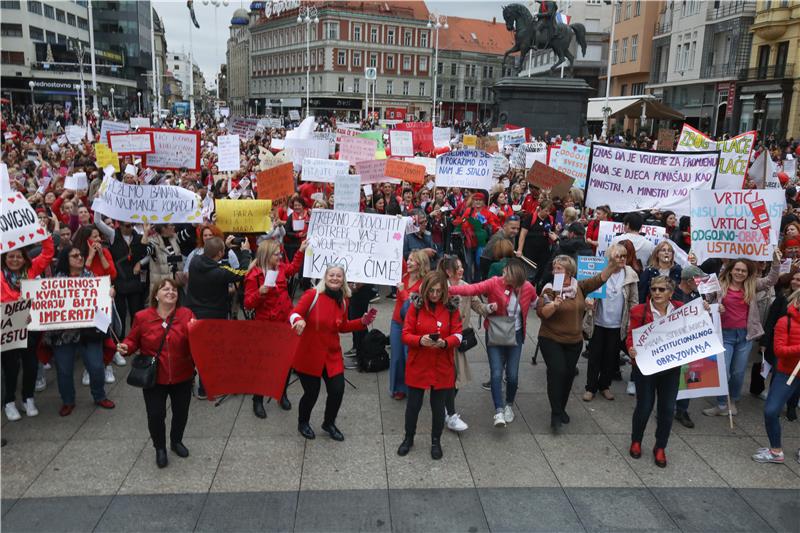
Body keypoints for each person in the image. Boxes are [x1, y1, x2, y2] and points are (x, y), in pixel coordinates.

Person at [289, 265, 376, 441]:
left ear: (343, 279)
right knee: (311, 393)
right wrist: (298, 320)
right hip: (309, 354)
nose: (335, 278)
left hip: (332, 354)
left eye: (338, 276)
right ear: (325, 277)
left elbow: (342, 326)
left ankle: (329, 423)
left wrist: (362, 321)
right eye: (331, 275)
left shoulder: (343, 300)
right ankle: (303, 422)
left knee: (337, 390)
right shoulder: (312, 295)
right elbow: (294, 313)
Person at [537, 253, 622, 431]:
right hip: (551, 338)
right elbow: (542, 313)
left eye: (558, 268)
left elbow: (600, 278)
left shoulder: (580, 287)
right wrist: (554, 305)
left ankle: (561, 408)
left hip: (574, 341)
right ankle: (555, 414)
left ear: (569, 271)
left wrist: (613, 264)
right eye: (554, 268)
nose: (554, 270)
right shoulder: (549, 289)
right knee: (557, 372)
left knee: (568, 375)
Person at [116, 279, 195, 469]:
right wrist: (126, 347)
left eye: (174, 289)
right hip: (154, 378)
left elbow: (197, 341)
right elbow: (133, 339)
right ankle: (160, 448)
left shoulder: (187, 314)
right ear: (155, 295)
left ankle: (176, 442)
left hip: (182, 375)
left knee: (181, 412)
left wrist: (198, 331)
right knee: (155, 414)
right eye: (165, 289)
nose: (171, 292)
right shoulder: (142, 317)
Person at [449, 258, 537, 427]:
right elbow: (472, 289)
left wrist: (549, 302)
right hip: (495, 333)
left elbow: (536, 303)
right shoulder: (495, 282)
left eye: (506, 275)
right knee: (496, 373)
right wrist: (449, 288)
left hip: (516, 336)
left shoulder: (528, 288)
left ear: (516, 278)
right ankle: (499, 411)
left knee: (512, 375)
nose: (502, 277)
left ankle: (509, 405)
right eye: (503, 273)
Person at [703, 251, 781, 417]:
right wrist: (713, 306)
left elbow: (771, 280)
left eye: (743, 271)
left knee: (738, 373)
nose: (740, 273)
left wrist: (775, 262)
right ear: (731, 270)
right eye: (737, 269)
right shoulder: (719, 284)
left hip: (744, 336)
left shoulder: (752, 285)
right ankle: (722, 404)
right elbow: (706, 300)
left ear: (748, 273)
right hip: (724, 335)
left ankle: (733, 401)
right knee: (724, 371)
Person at [397, 271, 463, 459]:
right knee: (413, 406)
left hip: (442, 365)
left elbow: (458, 334)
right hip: (419, 364)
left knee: (437, 406)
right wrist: (420, 340)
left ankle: (436, 441)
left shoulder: (451, 308)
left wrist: (445, 342)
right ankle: (408, 438)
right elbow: (405, 334)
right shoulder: (415, 307)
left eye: (438, 291)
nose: (434, 295)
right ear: (425, 289)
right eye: (431, 291)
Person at [46, 246, 115, 416]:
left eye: (81, 254)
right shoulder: (55, 283)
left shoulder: (92, 278)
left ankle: (99, 396)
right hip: (63, 336)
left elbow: (101, 304)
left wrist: (109, 294)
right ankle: (68, 401)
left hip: (88, 333)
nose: (80, 258)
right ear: (65, 260)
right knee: (64, 370)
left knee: (97, 366)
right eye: (74, 256)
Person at [626, 276, 685, 468]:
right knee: (644, 406)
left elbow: (699, 319)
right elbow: (631, 336)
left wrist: (709, 309)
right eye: (653, 289)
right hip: (646, 367)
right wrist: (631, 349)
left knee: (667, 409)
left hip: (670, 368)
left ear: (670, 292)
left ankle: (660, 446)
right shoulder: (638, 311)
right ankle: (636, 440)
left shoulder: (680, 309)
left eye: (661, 289)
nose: (657, 293)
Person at [243, 239, 306, 417]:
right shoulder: (254, 275)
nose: (280, 256)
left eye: (280, 253)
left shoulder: (281, 268)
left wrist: (300, 250)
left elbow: (293, 268)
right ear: (266, 255)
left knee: (285, 362)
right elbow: (247, 304)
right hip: (265, 326)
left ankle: (281, 393)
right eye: (276, 254)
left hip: (285, 322)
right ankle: (258, 399)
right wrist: (260, 293)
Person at [185, 236, 250, 399]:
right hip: (214, 317)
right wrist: (246, 253)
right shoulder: (219, 273)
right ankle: (206, 388)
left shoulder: (195, 262)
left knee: (198, 351)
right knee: (211, 354)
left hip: (194, 314)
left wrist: (225, 248)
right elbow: (241, 272)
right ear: (220, 253)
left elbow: (214, 257)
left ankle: (193, 382)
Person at [1, 231, 54, 421]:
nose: (15, 260)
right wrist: (18, 301)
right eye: (11, 256)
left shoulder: (31, 271)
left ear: (24, 258)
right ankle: (9, 402)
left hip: (31, 327)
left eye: (18, 256)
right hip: (9, 328)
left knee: (31, 364)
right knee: (11, 367)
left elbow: (48, 253)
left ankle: (28, 398)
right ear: (4, 258)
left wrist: (43, 233)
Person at [438, 256, 491, 432]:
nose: (461, 270)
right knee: (451, 376)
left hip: (459, 339)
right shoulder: (440, 286)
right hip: (443, 340)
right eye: (457, 267)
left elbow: (477, 304)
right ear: (448, 271)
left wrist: (490, 309)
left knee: (457, 377)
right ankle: (449, 412)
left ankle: (445, 408)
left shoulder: (466, 286)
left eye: (461, 266)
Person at [582, 243, 639, 402]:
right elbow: (586, 290)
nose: (621, 259)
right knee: (594, 356)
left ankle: (604, 386)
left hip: (617, 324)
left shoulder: (630, 274)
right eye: (617, 256)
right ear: (609, 258)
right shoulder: (600, 272)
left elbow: (634, 300)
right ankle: (590, 388)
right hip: (598, 321)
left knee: (611, 357)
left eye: (624, 256)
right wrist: (588, 300)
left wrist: (632, 321)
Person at [752, 288, 800, 464]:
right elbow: (779, 350)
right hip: (787, 373)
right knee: (771, 411)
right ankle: (775, 451)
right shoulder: (784, 322)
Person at [389, 250, 431, 400]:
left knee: (410, 357)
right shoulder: (404, 275)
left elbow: (412, 306)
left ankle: (413, 387)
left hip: (413, 327)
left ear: (420, 263)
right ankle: (399, 388)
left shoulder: (424, 283)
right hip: (397, 322)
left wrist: (402, 292)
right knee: (397, 356)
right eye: (409, 259)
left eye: (413, 260)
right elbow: (393, 255)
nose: (409, 263)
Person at [672, 264, 706, 429]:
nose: (700, 283)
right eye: (698, 279)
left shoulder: (697, 295)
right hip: (672, 343)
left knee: (688, 378)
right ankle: (666, 408)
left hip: (690, 343)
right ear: (689, 280)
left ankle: (682, 409)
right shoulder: (671, 293)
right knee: (671, 378)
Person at [480, 214, 520, 280]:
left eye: (517, 229)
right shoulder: (497, 238)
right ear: (504, 226)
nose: (516, 231)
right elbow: (485, 257)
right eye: (513, 228)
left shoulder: (512, 235)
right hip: (491, 266)